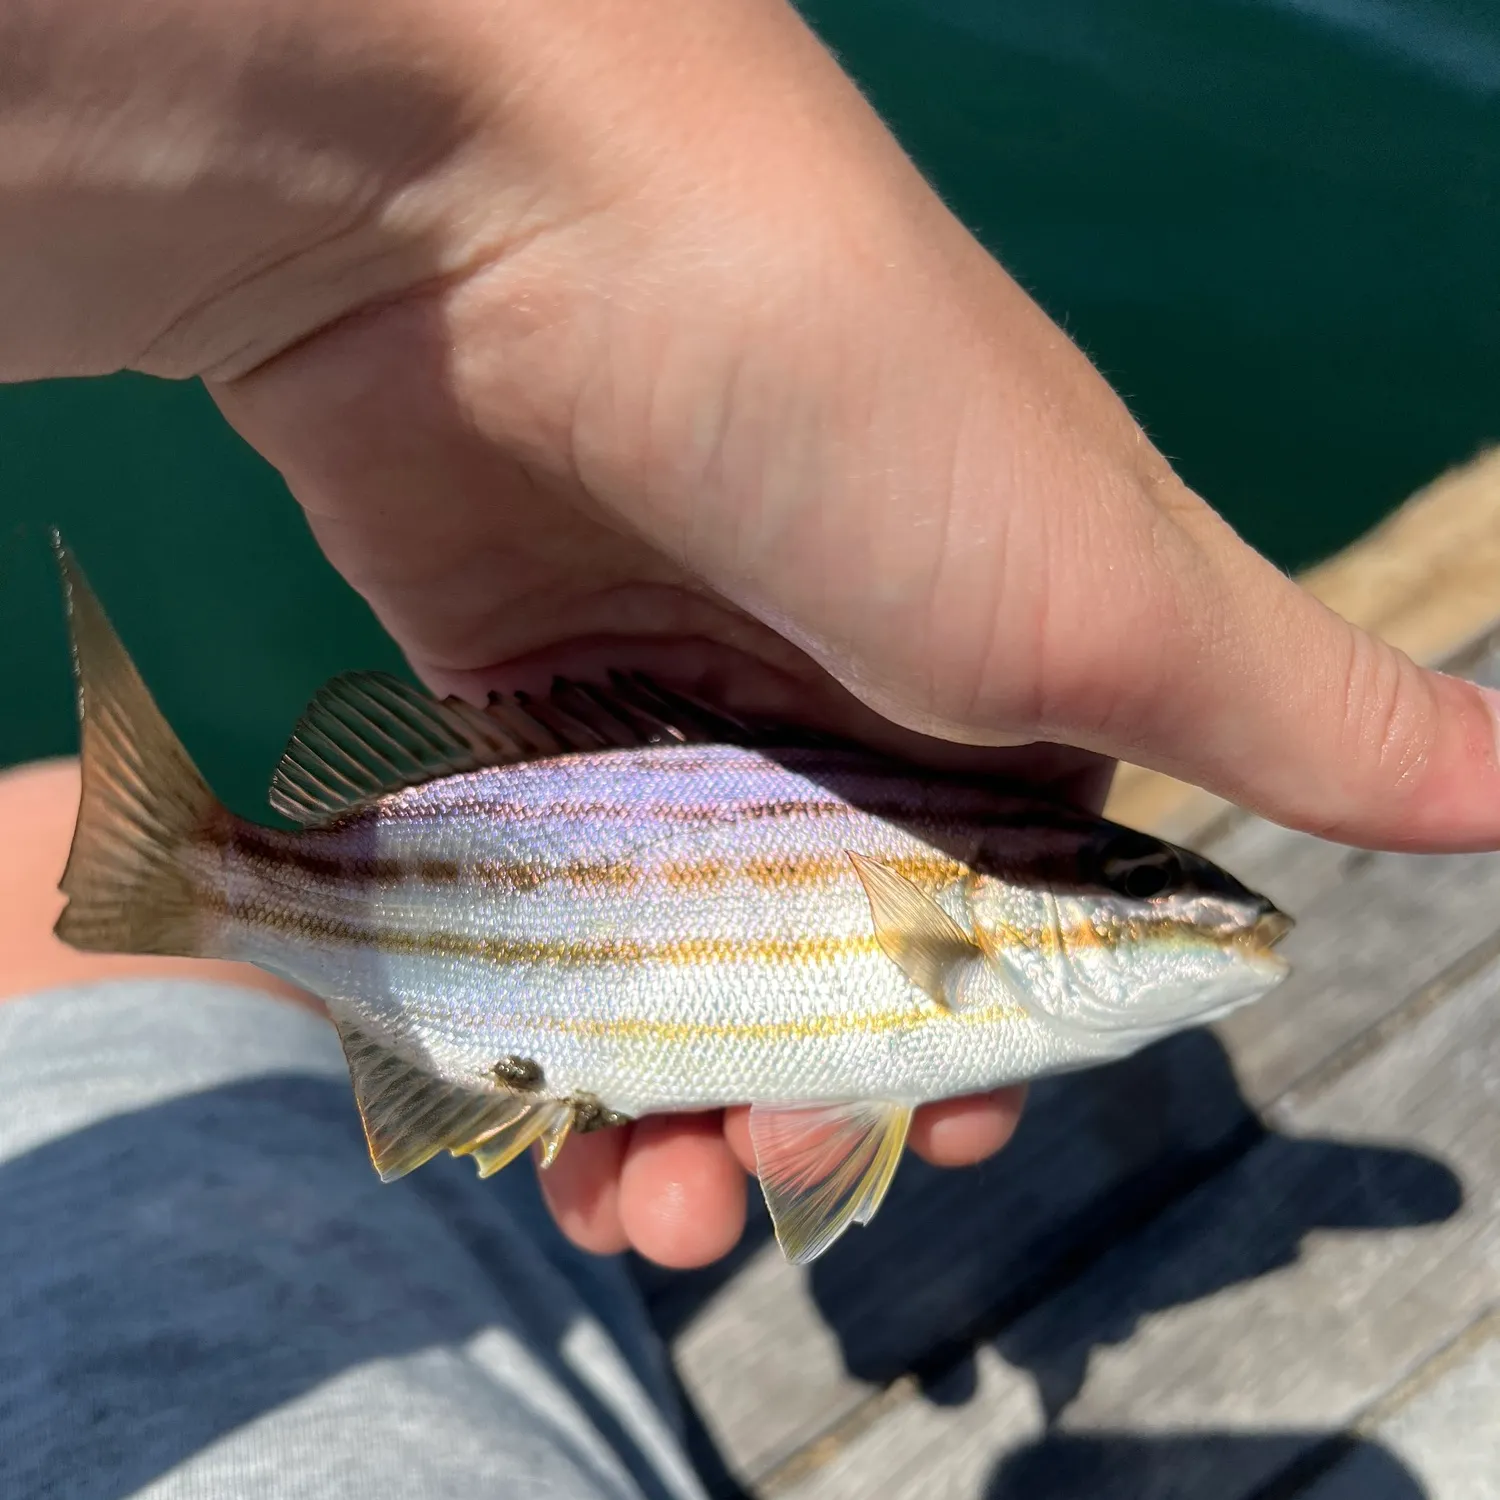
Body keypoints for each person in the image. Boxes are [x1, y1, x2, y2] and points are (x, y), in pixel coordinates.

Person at [3, 3, 1498, 1495]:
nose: (1220, 922)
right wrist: (459, 198)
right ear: (1022, 912)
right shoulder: (961, 942)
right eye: (1150, 894)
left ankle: (189, 882)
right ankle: (189, 883)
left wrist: (451, 193)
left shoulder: (972, 936)